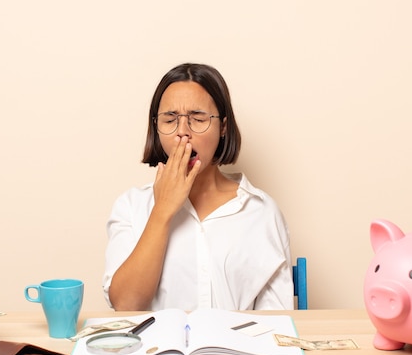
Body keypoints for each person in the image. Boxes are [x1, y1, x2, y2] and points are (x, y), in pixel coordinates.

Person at [103, 63, 293, 311]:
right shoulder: (130, 207)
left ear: (223, 126)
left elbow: (278, 323)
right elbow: (126, 305)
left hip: (237, 350)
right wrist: (162, 210)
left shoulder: (261, 211)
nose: (183, 132)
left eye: (198, 119)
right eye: (170, 119)